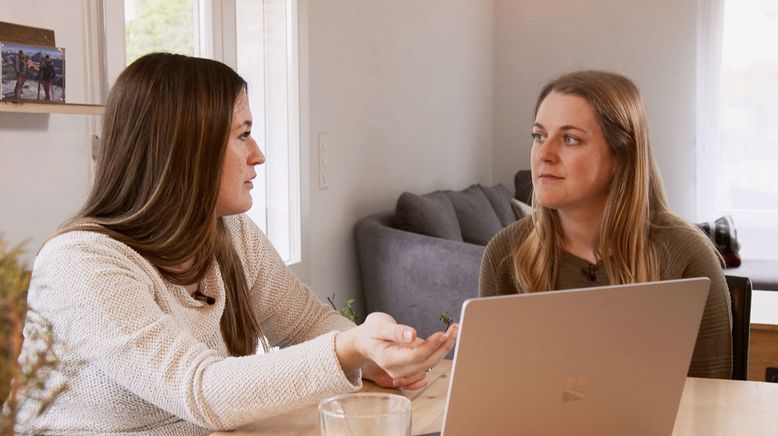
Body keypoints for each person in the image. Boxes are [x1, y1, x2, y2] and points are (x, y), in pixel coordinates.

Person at [13, 52, 458, 434]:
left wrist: (370, 355)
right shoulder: (78, 264)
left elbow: (305, 323)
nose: (259, 153)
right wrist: (350, 349)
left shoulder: (229, 234)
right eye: (243, 134)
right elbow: (200, 389)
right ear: (186, 150)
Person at [478, 70, 732, 379]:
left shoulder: (686, 256)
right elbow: (494, 389)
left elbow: (711, 401)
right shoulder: (504, 254)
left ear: (620, 155)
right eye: (539, 136)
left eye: (570, 139)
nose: (543, 154)